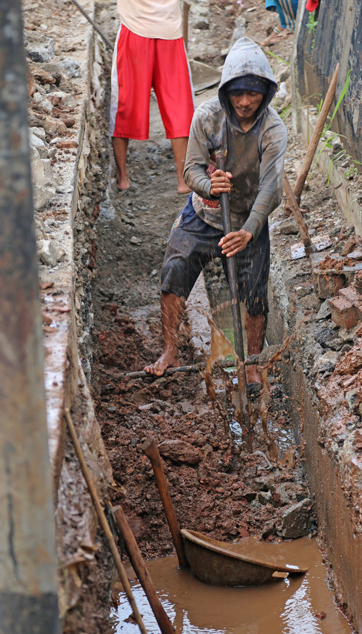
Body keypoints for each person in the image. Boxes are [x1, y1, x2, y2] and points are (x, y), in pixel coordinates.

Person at [144, 36, 287, 394]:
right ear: (226, 92)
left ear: (265, 94)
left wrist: (250, 231)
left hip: (248, 221)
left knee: (254, 295)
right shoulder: (208, 116)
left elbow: (272, 190)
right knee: (173, 271)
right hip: (204, 215)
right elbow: (189, 169)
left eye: (253, 94)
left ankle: (251, 364)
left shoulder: (272, 130)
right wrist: (210, 185)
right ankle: (170, 350)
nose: (244, 102)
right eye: (237, 94)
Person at [110, 0, 195, 193]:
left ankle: (122, 177)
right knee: (179, 104)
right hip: (169, 32)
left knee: (125, 102)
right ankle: (183, 180)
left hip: (134, 31)